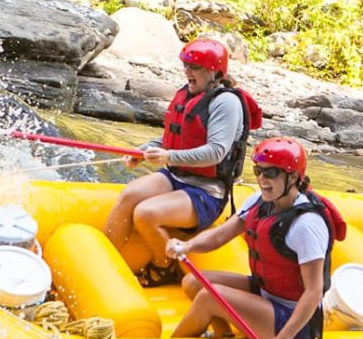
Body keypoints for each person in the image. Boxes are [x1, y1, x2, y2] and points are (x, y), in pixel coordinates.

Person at [165, 137, 346, 339]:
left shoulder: (306, 225)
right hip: (266, 292)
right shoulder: (259, 202)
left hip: (292, 322)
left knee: (208, 298)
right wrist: (187, 246)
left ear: (292, 178)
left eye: (271, 173)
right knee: (193, 282)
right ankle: (224, 335)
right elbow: (221, 235)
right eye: (258, 170)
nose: (262, 179)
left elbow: (313, 292)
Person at [103, 37, 262, 286]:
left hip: (207, 191)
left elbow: (216, 152)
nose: (188, 71)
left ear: (214, 72)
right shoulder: (189, 93)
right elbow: (174, 137)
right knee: (129, 195)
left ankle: (163, 266)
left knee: (145, 214)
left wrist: (169, 157)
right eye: (186, 65)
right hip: (177, 176)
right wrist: (145, 150)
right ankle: (104, 264)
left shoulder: (226, 102)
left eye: (195, 67)